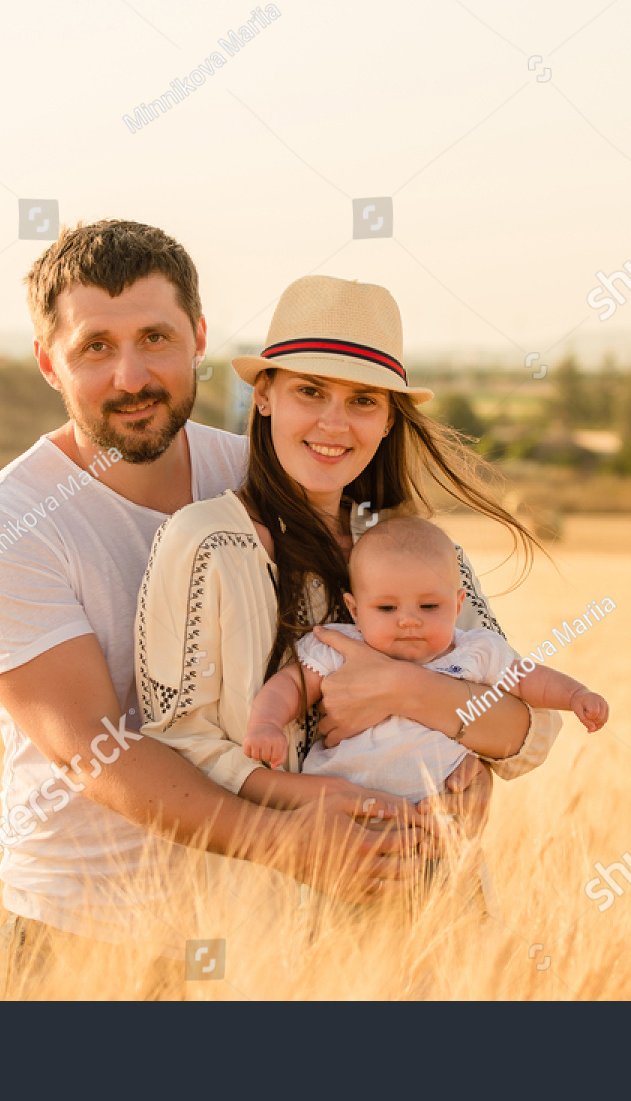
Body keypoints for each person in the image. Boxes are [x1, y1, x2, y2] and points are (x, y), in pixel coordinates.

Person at [0, 222, 462, 998]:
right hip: (82, 940)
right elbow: (91, 748)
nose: (131, 375)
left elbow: (409, 638)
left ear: (196, 336)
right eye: (96, 346)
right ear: (48, 362)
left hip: (254, 945)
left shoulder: (265, 474)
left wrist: (468, 768)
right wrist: (288, 840)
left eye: (155, 337)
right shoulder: (10, 525)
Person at [135, 274, 563, 917]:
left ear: (389, 418)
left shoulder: (423, 553)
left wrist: (401, 690)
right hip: (276, 915)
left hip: (437, 911)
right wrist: (308, 800)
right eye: (310, 391)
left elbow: (526, 726)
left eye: (364, 400)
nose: (334, 424)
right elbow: (176, 744)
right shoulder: (205, 543)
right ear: (265, 397)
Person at [245, 514, 609, 807]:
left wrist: (576, 695)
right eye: (386, 608)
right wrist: (266, 723)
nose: (408, 620)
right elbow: (292, 685)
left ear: (458, 604)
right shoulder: (341, 645)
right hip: (343, 809)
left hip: (434, 814)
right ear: (354, 610)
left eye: (429, 606)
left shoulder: (474, 651)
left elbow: (530, 680)